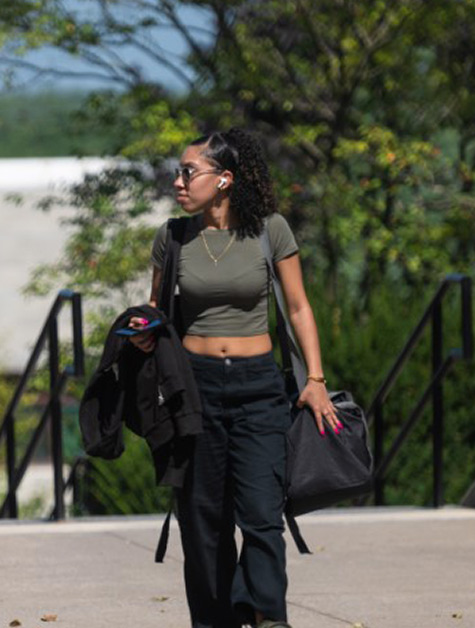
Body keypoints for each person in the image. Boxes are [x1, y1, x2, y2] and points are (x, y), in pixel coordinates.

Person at [129, 128, 339, 628]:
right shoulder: (173, 237)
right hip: (195, 390)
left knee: (263, 516)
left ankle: (268, 614)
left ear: (224, 179)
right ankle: (214, 620)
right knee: (203, 522)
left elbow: (298, 306)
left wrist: (315, 378)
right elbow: (158, 313)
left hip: (259, 389)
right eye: (177, 172)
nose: (178, 181)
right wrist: (141, 332)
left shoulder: (270, 230)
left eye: (188, 172)